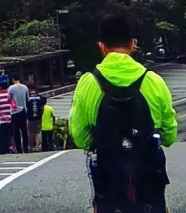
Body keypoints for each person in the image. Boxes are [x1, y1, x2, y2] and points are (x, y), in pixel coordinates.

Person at [68, 13, 177, 213]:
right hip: (148, 175)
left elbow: (80, 137)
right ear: (133, 44)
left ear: (101, 46)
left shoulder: (87, 83)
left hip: (108, 176)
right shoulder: (153, 81)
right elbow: (170, 135)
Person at [7, 74, 29, 153]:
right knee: (24, 131)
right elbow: (27, 99)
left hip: (15, 111)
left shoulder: (11, 88)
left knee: (16, 132)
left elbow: (8, 98)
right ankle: (26, 148)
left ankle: (19, 149)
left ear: (13, 80)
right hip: (23, 110)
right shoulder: (25, 87)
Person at [0, 76, 14, 155]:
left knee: (3, 136)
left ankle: (4, 150)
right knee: (11, 135)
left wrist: (2, 114)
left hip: (2, 120)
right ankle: (12, 148)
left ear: (0, 88)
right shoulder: (10, 96)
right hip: (11, 118)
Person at [25, 78, 44, 152]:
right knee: (38, 132)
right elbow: (42, 107)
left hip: (30, 118)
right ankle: (38, 146)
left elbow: (26, 108)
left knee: (30, 133)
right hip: (38, 117)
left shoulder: (28, 98)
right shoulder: (39, 97)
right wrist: (41, 114)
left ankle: (31, 147)